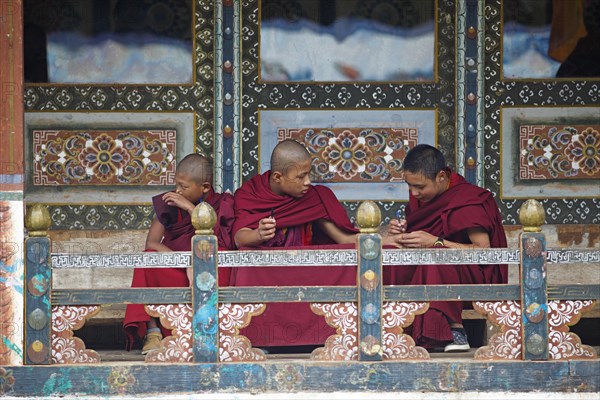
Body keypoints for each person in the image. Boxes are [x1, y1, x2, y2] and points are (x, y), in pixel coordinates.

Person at [231, 139, 397, 348]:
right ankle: (258, 337)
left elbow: (344, 239)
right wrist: (258, 235)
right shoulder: (251, 194)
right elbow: (239, 238)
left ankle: (338, 333)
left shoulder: (315, 196)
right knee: (246, 260)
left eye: (309, 174)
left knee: (352, 256)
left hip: (302, 267)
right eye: (301, 177)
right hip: (269, 268)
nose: (308, 182)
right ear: (278, 177)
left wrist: (387, 240)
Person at [386, 144, 508, 352]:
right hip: (432, 272)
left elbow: (483, 251)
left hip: (474, 276)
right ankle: (393, 328)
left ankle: (454, 331)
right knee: (393, 257)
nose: (414, 193)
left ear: (441, 177)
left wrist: (436, 242)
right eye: (409, 186)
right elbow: (425, 229)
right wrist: (402, 232)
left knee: (437, 256)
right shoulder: (424, 198)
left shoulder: (467, 200)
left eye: (420, 187)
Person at [123, 153, 235, 354]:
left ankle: (211, 328)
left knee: (225, 259)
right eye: (177, 184)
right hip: (178, 268)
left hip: (207, 269)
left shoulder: (223, 204)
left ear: (205, 188)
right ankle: (154, 332)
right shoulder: (169, 202)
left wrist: (192, 209)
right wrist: (185, 262)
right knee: (147, 258)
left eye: (184, 187)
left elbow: (222, 241)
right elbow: (152, 243)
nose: (177, 190)